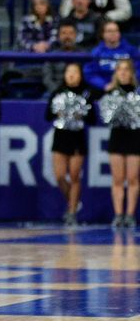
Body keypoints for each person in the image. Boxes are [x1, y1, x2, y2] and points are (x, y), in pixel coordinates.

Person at [45, 63, 97, 226]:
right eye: (69, 72)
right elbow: (47, 115)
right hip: (60, 136)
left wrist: (81, 114)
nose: (71, 75)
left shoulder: (86, 94)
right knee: (60, 176)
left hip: (77, 137)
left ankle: (72, 212)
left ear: (80, 75)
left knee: (74, 176)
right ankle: (73, 202)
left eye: (75, 72)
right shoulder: (57, 93)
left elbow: (93, 119)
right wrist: (58, 112)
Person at [100, 59, 140, 228]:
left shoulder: (138, 94)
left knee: (132, 178)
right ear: (116, 73)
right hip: (117, 137)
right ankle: (118, 214)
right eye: (120, 69)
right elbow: (105, 118)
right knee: (117, 178)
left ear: (131, 73)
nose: (123, 72)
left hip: (134, 137)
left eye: (126, 69)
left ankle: (130, 215)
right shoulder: (110, 94)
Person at [84, 20, 140, 90]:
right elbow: (90, 73)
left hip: (130, 87)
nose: (113, 33)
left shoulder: (131, 50)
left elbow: (138, 68)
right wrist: (104, 85)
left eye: (116, 31)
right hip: (104, 89)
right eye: (109, 31)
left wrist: (132, 80)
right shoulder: (96, 52)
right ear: (103, 34)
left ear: (119, 33)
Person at [43, 21, 86, 91]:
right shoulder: (51, 56)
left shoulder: (83, 55)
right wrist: (58, 92)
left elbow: (87, 77)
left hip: (79, 91)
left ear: (75, 35)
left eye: (70, 33)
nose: (67, 36)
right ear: (58, 36)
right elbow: (47, 79)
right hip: (55, 92)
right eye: (64, 33)